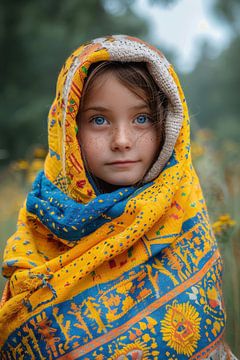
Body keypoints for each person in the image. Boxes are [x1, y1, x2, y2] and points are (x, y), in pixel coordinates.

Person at [0, 35, 237, 359]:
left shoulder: (184, 219)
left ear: (168, 123)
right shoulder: (39, 227)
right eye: (99, 120)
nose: (122, 140)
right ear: (69, 129)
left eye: (142, 118)